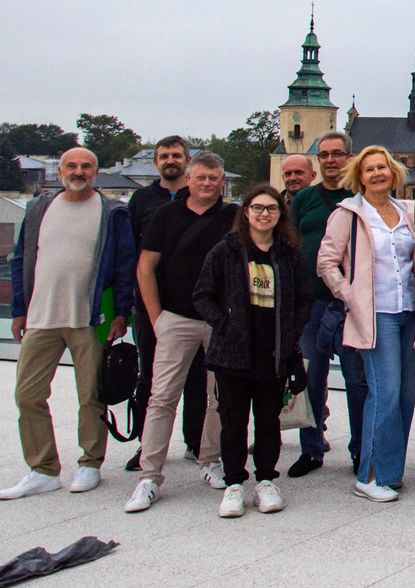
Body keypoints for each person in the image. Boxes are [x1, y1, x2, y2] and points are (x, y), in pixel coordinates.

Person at [1, 148, 134, 500]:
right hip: (41, 317)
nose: (79, 171)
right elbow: (20, 260)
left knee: (90, 394)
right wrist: (19, 310)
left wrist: (122, 313)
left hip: (88, 319)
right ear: (59, 170)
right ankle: (42, 469)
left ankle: (91, 462)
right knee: (27, 395)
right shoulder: (39, 208)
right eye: (71, 166)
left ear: (96, 170)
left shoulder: (112, 212)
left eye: (86, 166)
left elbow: (125, 265)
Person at [124, 151, 238, 513]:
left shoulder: (233, 217)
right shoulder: (166, 215)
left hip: (219, 321)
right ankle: (150, 475)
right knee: (162, 398)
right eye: (201, 177)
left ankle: (210, 461)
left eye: (214, 178)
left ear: (223, 181)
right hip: (175, 316)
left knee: (217, 399)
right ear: (190, 179)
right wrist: (157, 317)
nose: (207, 183)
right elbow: (146, 267)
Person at [193, 185, 311, 518]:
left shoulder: (287, 254)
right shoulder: (227, 251)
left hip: (273, 350)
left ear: (280, 215)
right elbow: (203, 294)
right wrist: (224, 323)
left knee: (268, 419)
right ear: (246, 212)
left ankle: (266, 479)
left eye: (271, 209)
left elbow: (304, 299)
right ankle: (233, 483)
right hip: (233, 351)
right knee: (233, 419)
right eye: (257, 208)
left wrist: (291, 331)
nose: (264, 214)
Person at [317, 146, 415, 502]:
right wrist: (349, 295)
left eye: (383, 168)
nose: (377, 174)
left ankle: (391, 470)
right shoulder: (349, 213)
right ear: (359, 176)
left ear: (393, 172)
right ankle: (369, 474)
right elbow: (327, 261)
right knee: (385, 394)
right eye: (370, 169)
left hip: (407, 313)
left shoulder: (405, 211)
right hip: (375, 316)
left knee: (406, 396)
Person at [124, 136, 207, 472]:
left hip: (195, 306)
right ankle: (148, 445)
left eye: (176, 155)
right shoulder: (142, 200)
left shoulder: (200, 198)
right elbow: (132, 254)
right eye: (164, 156)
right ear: (155, 162)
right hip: (151, 304)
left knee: (198, 377)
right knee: (150, 377)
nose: (170, 160)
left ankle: (196, 441)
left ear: (187, 161)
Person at [286, 131, 358, 478]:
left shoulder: (360, 197)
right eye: (325, 155)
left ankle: (360, 449)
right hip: (311, 302)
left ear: (349, 157)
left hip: (349, 304)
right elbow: (288, 244)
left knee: (357, 378)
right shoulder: (304, 200)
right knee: (311, 378)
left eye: (337, 154)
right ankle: (311, 449)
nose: (331, 160)